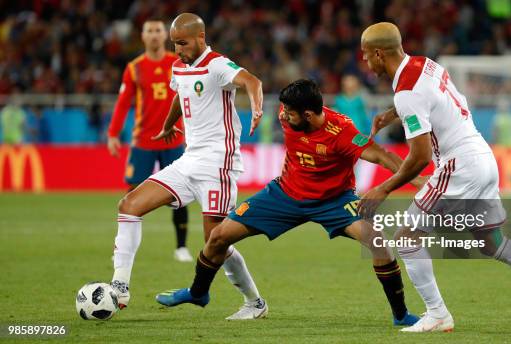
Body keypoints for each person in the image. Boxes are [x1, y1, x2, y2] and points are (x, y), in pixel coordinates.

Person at [358, 22, 511, 333]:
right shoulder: (425, 64)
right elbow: (430, 98)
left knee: (406, 238)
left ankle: (437, 314)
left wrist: (382, 189)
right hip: (482, 157)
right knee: (493, 244)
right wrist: (390, 114)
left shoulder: (406, 93)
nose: (364, 61)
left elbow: (420, 157)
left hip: (458, 166)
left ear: (378, 53)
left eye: (365, 55)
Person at [156, 79, 427, 326]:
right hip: (284, 194)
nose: (283, 115)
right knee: (218, 237)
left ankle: (400, 314)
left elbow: (381, 156)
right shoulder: (289, 118)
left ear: (308, 115)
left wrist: (419, 182)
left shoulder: (341, 131)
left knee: (377, 241)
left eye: (289, 112)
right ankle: (198, 292)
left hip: (334, 201)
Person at [110, 13, 267, 320]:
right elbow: (179, 96)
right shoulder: (178, 66)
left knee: (216, 242)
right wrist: (169, 124)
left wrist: (257, 106)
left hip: (218, 166)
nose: (178, 49)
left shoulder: (217, 64)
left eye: (182, 43)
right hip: (189, 161)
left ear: (200, 38)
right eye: (175, 44)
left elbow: (252, 81)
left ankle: (254, 302)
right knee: (129, 205)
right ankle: (120, 284)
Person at [107, 19, 193, 263]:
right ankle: (122, 247)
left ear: (165, 35)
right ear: (143, 37)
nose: (154, 35)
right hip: (143, 141)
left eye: (158, 31)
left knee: (180, 194)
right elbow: (123, 103)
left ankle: (181, 247)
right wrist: (113, 134)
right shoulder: (134, 68)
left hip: (173, 140)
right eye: (149, 31)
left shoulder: (177, 64)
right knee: (133, 194)